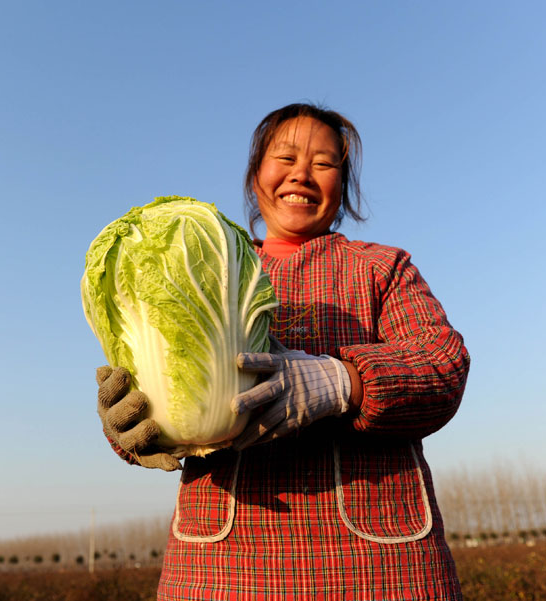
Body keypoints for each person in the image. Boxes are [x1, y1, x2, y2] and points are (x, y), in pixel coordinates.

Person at [95, 103, 470, 600]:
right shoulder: (203, 267)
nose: (302, 174)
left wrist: (343, 382)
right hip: (218, 569)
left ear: (344, 184)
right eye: (285, 157)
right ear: (256, 177)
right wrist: (128, 429)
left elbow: (442, 365)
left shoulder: (382, 267)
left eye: (324, 163)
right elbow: (147, 382)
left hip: (381, 565)